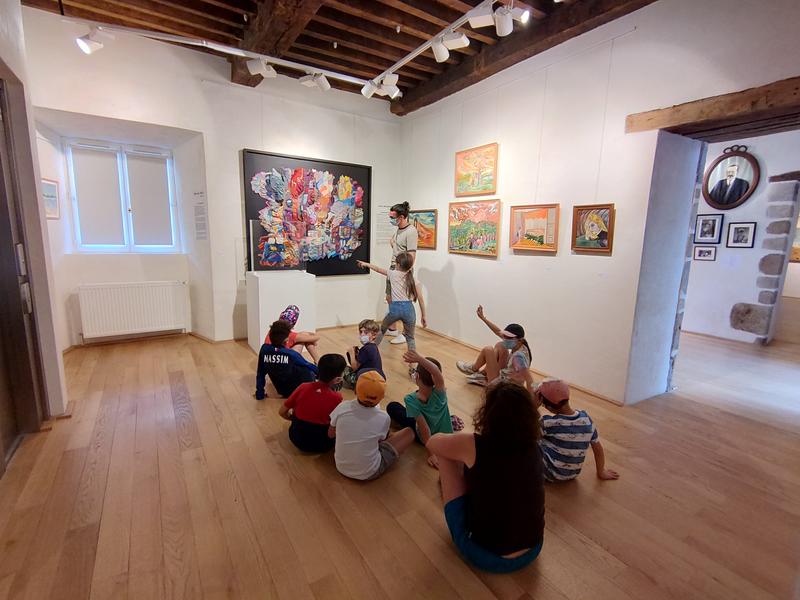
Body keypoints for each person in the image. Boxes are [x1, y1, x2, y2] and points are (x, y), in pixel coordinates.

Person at [426, 381, 545, 573]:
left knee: (446, 453)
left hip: (488, 557)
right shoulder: (534, 446)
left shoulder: (473, 444)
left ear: (488, 413)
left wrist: (454, 444)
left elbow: (432, 442)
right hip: (534, 547)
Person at [328, 370, 415, 481]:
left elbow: (330, 434)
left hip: (341, 466)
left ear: (355, 391)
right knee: (409, 432)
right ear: (382, 397)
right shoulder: (383, 417)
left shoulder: (342, 407)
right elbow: (383, 440)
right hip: (369, 472)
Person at [534, 379, 619, 482]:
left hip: (548, 473)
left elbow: (527, 431)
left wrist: (533, 407)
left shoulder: (548, 423)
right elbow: (598, 448)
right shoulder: (586, 420)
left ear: (548, 407)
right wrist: (601, 471)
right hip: (572, 474)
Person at [386, 350, 453, 469]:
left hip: (424, 438)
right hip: (446, 436)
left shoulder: (410, 399)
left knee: (392, 406)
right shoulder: (440, 393)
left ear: (416, 376)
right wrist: (420, 359)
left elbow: (424, 428)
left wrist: (431, 454)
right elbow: (436, 373)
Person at [357, 252, 426, 351]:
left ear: (397, 265)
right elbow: (421, 300)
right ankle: (413, 364)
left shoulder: (393, 274)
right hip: (409, 310)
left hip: (395, 310)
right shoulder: (414, 279)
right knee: (410, 338)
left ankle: (372, 350)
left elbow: (377, 269)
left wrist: (366, 264)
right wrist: (424, 316)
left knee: (382, 329)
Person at [278, 353, 346, 453]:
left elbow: (282, 412)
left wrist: (294, 419)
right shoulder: (337, 397)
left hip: (296, 439)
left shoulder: (303, 387)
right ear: (337, 379)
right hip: (324, 445)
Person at [456, 305, 531, 389]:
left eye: (509, 337)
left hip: (504, 387)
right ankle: (483, 374)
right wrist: (483, 318)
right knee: (500, 345)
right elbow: (498, 331)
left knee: (488, 350)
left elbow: (527, 379)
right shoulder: (520, 345)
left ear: (520, 340)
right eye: (505, 336)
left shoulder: (519, 356)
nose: (505, 339)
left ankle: (473, 369)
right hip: (505, 377)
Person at [255, 320, 318, 399]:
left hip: (282, 391)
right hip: (300, 390)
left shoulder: (264, 349)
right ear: (286, 340)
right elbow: (309, 366)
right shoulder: (291, 354)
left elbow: (260, 373)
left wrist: (260, 394)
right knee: (309, 370)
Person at [385, 202, 418, 345]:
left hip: (401, 271)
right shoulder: (399, 229)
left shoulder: (411, 232)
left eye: (393, 217)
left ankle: (405, 333)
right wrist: (394, 244)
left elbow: (411, 256)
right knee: (390, 298)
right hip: (393, 267)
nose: (391, 220)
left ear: (402, 217)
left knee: (402, 302)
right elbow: (399, 247)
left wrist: (402, 274)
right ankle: (392, 328)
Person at [343, 319, 385, 389]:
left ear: (374, 335)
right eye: (361, 332)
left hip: (367, 381)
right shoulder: (373, 346)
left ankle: (357, 385)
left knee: (344, 369)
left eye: (365, 332)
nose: (362, 334)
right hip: (378, 378)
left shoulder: (366, 349)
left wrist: (351, 354)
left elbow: (355, 367)